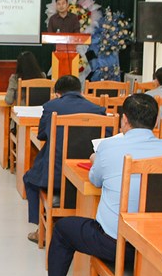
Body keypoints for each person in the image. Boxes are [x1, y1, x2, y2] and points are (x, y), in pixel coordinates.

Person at [40, 94, 162, 276]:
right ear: (156, 121)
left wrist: (96, 160)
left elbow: (95, 180)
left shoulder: (110, 147)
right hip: (154, 244)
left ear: (125, 120)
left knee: (63, 230)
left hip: (114, 243)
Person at [23, 75, 106, 242]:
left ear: (57, 93)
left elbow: (41, 135)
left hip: (55, 177)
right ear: (81, 91)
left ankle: (42, 230)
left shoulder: (51, 106)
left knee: (29, 179)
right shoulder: (98, 110)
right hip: (87, 173)